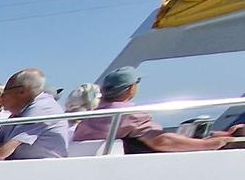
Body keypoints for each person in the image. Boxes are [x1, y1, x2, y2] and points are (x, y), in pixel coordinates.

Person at [73, 65, 244, 152]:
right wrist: (208, 144)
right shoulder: (129, 115)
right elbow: (161, 141)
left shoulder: (93, 116)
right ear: (131, 88)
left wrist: (216, 135)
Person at [0, 69, 70, 161]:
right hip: (22, 169)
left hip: (42, 172)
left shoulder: (41, 108)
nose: (0, 100)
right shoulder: (20, 112)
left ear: (22, 91)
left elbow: (2, 152)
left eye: (4, 94)